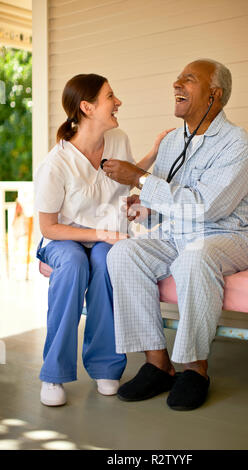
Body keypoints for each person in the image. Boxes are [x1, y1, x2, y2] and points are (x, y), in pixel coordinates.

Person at [102, 59, 248, 411]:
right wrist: (143, 206)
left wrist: (139, 178)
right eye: (177, 78)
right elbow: (166, 202)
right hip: (179, 231)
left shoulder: (237, 144)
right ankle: (158, 363)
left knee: (195, 256)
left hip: (229, 234)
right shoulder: (174, 141)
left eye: (188, 80)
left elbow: (205, 207)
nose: (177, 84)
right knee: (123, 254)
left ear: (214, 95)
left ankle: (195, 368)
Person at [34, 73, 171, 407]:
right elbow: (49, 228)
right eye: (111, 96)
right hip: (64, 239)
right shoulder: (56, 164)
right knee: (73, 266)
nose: (118, 102)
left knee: (106, 262)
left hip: (105, 239)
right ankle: (53, 373)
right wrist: (101, 234)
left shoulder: (118, 138)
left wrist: (153, 153)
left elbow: (122, 182)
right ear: (87, 107)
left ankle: (105, 366)